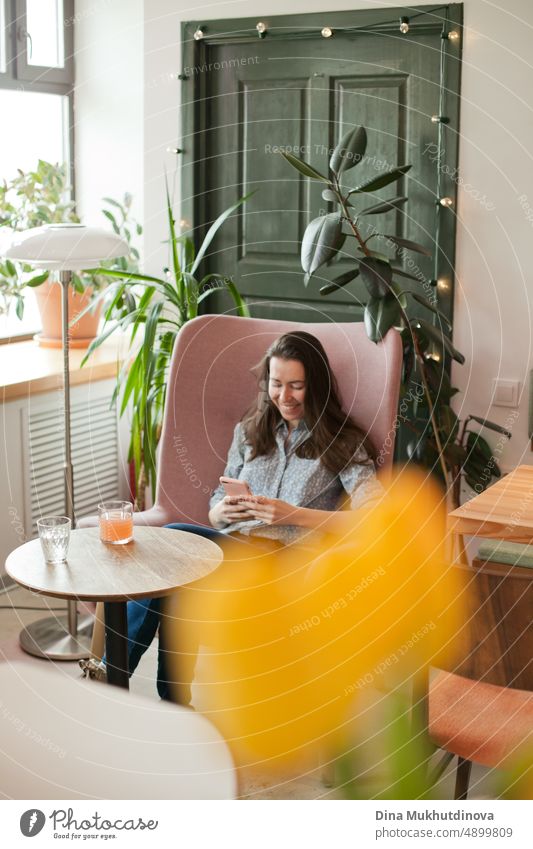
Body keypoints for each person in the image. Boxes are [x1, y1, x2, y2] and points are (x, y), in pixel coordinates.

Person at [81, 331, 383, 699]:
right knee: (180, 572)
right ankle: (172, 701)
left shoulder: (344, 443)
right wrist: (222, 511)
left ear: (315, 386)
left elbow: (378, 518)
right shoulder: (250, 432)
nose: (284, 397)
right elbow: (216, 513)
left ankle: (111, 677)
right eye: (276, 384)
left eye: (296, 386)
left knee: (178, 541)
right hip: (237, 550)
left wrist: (294, 514)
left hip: (291, 566)